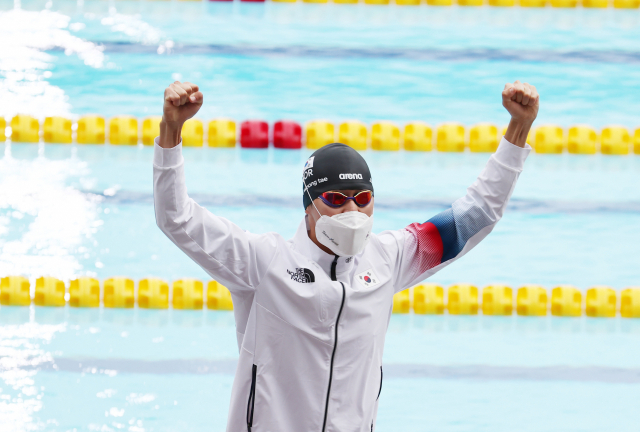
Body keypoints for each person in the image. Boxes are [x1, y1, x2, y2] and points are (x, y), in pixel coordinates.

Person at [153, 80, 538, 432]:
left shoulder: (390, 259)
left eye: (363, 199)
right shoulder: (262, 262)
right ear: (309, 207)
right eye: (336, 199)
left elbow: (475, 215)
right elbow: (176, 218)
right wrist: (171, 131)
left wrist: (517, 131)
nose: (351, 211)